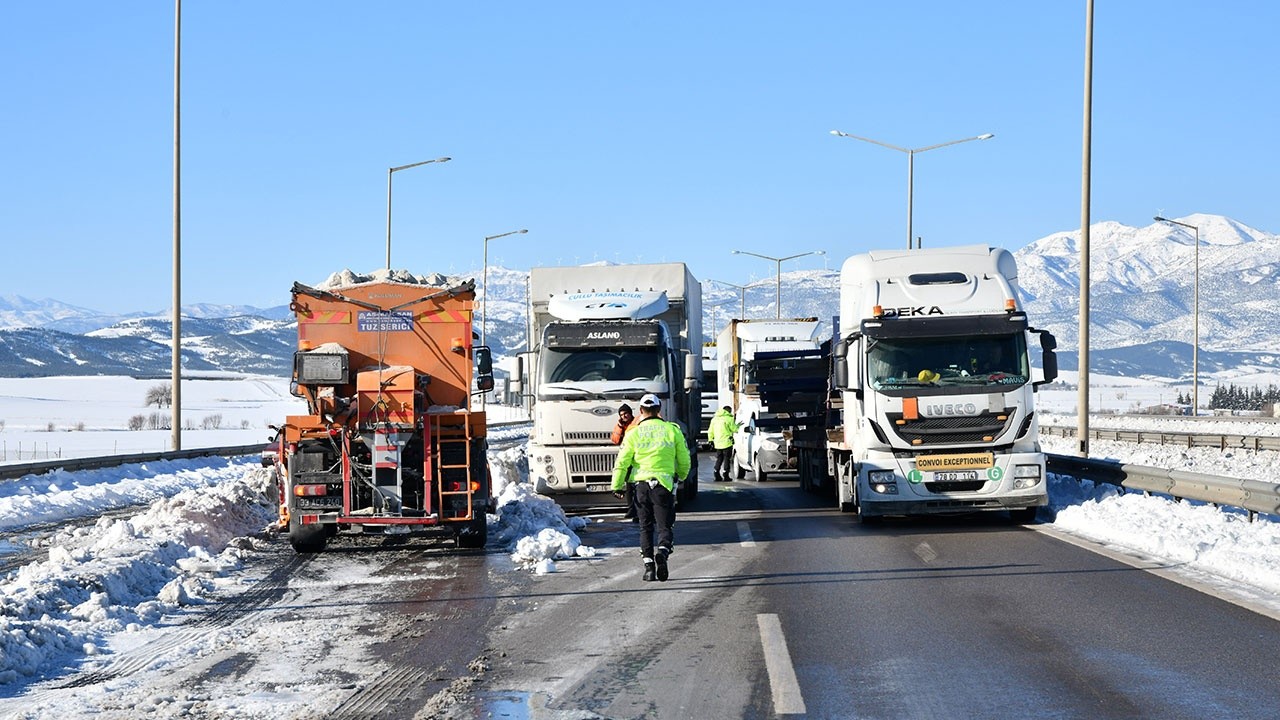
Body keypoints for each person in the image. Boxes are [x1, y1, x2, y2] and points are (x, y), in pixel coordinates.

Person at [610, 393, 690, 582]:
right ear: (659, 410)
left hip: (642, 487)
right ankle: (662, 551)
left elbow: (622, 462)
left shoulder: (633, 433)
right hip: (663, 485)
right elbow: (684, 459)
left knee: (645, 527)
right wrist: (681, 475)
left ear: (640, 411)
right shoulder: (672, 430)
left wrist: (617, 485)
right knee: (665, 525)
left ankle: (649, 568)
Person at [609, 403, 639, 520]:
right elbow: (615, 440)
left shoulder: (636, 423)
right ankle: (631, 508)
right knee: (630, 487)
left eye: (625, 413)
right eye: (621, 414)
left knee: (635, 486)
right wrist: (620, 427)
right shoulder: (620, 426)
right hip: (627, 457)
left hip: (636, 457)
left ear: (630, 413)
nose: (623, 416)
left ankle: (635, 510)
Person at [707, 405, 739, 481]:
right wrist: (738, 426)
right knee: (727, 459)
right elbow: (734, 429)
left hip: (718, 443)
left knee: (719, 458)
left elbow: (710, 431)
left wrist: (710, 440)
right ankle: (726, 474)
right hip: (727, 442)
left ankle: (716, 472)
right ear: (729, 411)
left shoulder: (714, 419)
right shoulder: (729, 419)